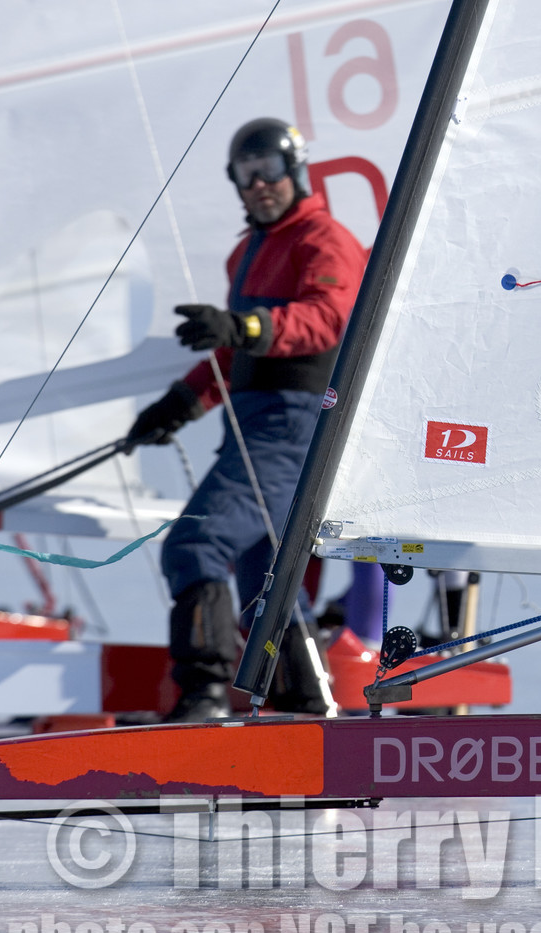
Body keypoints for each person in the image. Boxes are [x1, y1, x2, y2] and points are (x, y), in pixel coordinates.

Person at [126, 118, 367, 720]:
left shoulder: (323, 238)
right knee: (268, 581)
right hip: (255, 423)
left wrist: (247, 325)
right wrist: (180, 405)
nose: (260, 184)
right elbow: (232, 355)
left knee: (196, 542)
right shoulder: (248, 250)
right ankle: (309, 710)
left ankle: (203, 697)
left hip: (295, 424)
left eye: (270, 170)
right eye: (246, 173)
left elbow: (328, 319)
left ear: (296, 171)